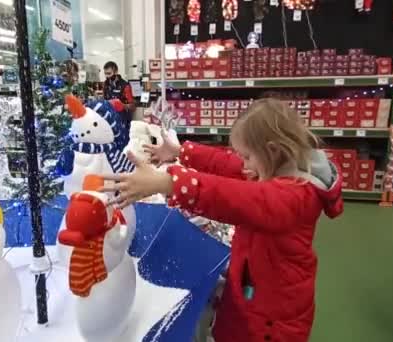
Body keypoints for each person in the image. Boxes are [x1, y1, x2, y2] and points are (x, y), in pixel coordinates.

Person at [101, 98, 344, 342]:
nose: (244, 164)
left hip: (271, 320)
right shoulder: (279, 167)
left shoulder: (295, 196)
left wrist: (169, 183)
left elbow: (233, 197)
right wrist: (181, 152)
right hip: (254, 289)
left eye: (248, 156)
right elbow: (230, 164)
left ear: (271, 151)